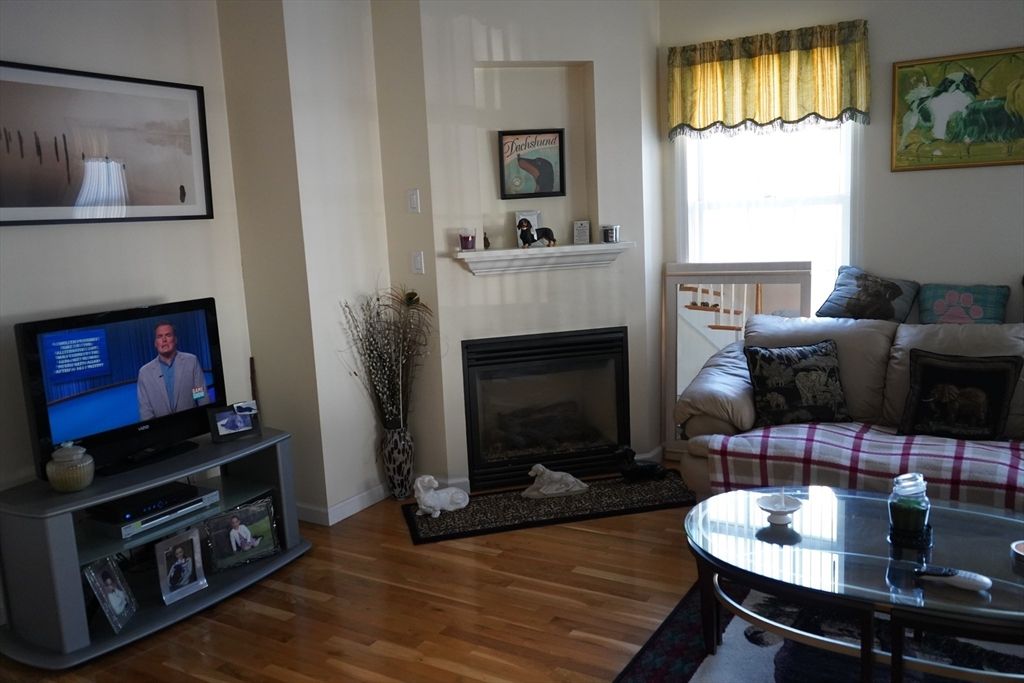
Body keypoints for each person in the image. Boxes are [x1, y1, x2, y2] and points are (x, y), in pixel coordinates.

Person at [137, 321, 209, 420]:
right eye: (159, 336)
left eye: (168, 335)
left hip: (191, 423)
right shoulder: (145, 373)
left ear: (175, 340)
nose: (164, 340)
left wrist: (203, 421)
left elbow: (201, 396)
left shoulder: (191, 361)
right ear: (155, 343)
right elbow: (145, 410)